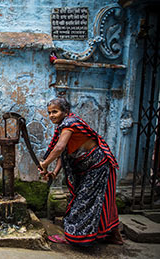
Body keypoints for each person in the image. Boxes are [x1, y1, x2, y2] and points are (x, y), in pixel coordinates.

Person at [39, 97, 123, 246]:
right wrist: (55, 172)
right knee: (104, 201)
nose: (52, 115)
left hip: (98, 166)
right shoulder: (64, 126)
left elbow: (59, 148)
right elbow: (64, 154)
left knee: (82, 202)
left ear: (65, 112)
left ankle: (72, 237)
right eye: (49, 112)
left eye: (55, 112)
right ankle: (113, 235)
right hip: (91, 167)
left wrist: (45, 164)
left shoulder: (69, 124)